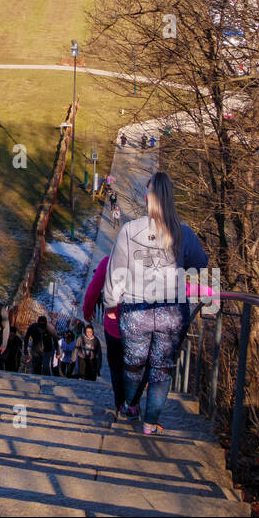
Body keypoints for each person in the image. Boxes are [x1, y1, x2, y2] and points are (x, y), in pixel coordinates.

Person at [102, 170, 208, 435]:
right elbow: (201, 262)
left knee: (134, 363)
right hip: (171, 311)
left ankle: (131, 404)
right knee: (161, 368)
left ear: (149, 197)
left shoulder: (129, 230)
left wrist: (112, 304)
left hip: (136, 310)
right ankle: (150, 424)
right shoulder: (183, 233)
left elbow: (116, 271)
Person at [83, 255, 130, 415]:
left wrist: (87, 312)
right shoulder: (146, 259)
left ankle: (120, 402)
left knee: (116, 366)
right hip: (138, 326)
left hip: (114, 326)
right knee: (133, 365)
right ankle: (132, 401)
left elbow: (92, 291)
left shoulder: (109, 261)